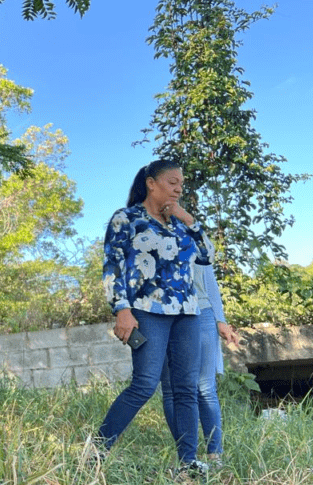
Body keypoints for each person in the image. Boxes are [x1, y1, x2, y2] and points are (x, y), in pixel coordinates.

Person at [97, 159, 214, 475]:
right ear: (152, 183)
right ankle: (96, 450)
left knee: (186, 388)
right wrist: (121, 309)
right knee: (145, 384)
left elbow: (206, 256)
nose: (178, 188)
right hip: (147, 311)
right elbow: (113, 266)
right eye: (173, 182)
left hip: (187, 312)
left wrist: (186, 217)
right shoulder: (128, 219)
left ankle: (188, 463)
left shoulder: (179, 224)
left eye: (181, 184)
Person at [160, 263, 240, 467]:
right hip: (162, 312)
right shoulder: (151, 232)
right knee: (171, 389)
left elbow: (209, 281)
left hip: (202, 311)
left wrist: (220, 320)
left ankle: (215, 454)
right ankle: (187, 457)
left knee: (206, 388)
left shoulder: (197, 237)